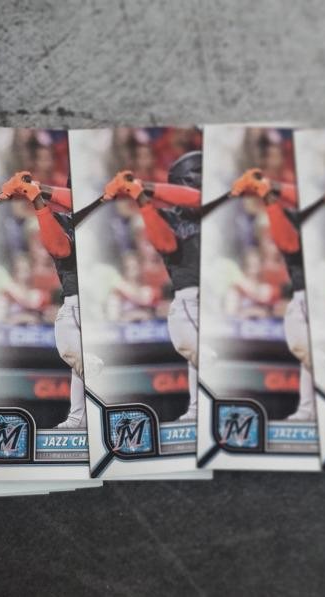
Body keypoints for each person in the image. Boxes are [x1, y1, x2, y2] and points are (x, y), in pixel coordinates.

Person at [100, 151, 204, 421]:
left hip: (210, 298)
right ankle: (198, 409)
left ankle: (201, 408)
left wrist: (143, 186)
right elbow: (165, 244)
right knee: (196, 351)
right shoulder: (169, 217)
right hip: (190, 297)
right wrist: (142, 199)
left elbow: (198, 199)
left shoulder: (211, 208)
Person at [0, 170, 97, 429]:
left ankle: (91, 398)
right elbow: (57, 244)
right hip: (77, 300)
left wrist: (39, 193)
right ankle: (79, 417)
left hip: (85, 301)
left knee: (76, 353)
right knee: (77, 358)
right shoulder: (63, 220)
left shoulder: (94, 221)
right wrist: (38, 197)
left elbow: (63, 244)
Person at [229, 166, 316, 421]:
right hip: (280, 320)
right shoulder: (254, 265)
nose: (270, 241)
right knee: (306, 354)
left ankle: (311, 409)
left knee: (308, 354)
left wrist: (271, 189)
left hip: (306, 304)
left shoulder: (303, 231)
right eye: (265, 237)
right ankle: (307, 409)